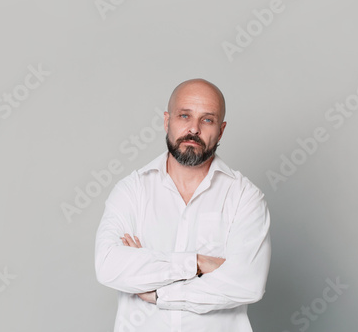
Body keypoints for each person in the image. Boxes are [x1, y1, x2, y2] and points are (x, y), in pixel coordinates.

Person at [94, 78, 271, 331]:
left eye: (207, 119)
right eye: (184, 116)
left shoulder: (245, 197)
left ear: (221, 130)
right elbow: (109, 266)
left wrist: (159, 294)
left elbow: (246, 284)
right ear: (167, 121)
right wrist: (197, 263)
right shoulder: (132, 191)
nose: (194, 129)